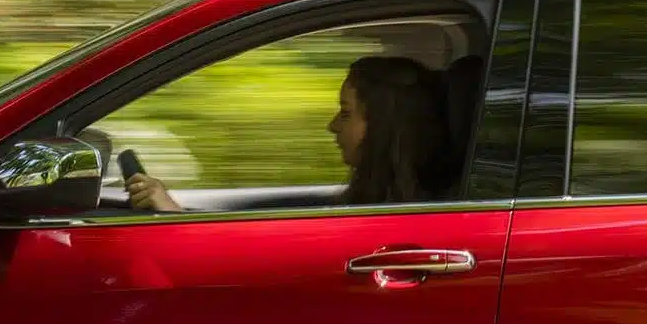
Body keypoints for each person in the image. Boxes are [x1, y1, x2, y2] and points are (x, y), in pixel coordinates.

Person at [122, 53, 454, 213]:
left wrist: (175, 216)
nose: (332, 125)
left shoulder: (394, 219)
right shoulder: (377, 204)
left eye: (346, 113)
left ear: (383, 125)